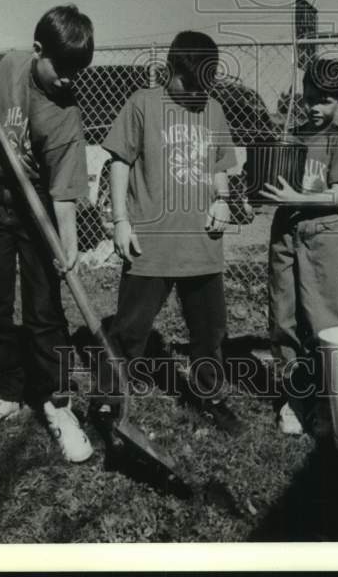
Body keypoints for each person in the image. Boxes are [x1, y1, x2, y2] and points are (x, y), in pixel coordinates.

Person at [0, 5, 95, 464]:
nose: (70, 79)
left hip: (39, 201)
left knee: (44, 307)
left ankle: (57, 401)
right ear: (38, 50)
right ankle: (4, 390)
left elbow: (64, 194)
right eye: (63, 67)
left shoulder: (65, 115)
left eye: (79, 70)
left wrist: (69, 248)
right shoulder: (13, 64)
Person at [99, 31, 242, 433]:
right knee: (129, 329)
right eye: (189, 83)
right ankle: (112, 398)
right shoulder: (142, 103)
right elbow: (120, 162)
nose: (197, 91)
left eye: (204, 84)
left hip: (202, 245)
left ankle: (209, 396)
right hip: (151, 243)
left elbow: (218, 166)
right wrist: (120, 221)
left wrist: (222, 199)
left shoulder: (213, 109)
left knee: (209, 332)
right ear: (169, 71)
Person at [261, 57, 338, 436]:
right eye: (311, 98)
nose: (316, 107)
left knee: (322, 318)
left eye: (326, 101)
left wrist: (296, 195)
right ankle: (294, 395)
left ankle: (326, 400)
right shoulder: (294, 136)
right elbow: (275, 181)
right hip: (286, 230)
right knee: (283, 314)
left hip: (322, 234)